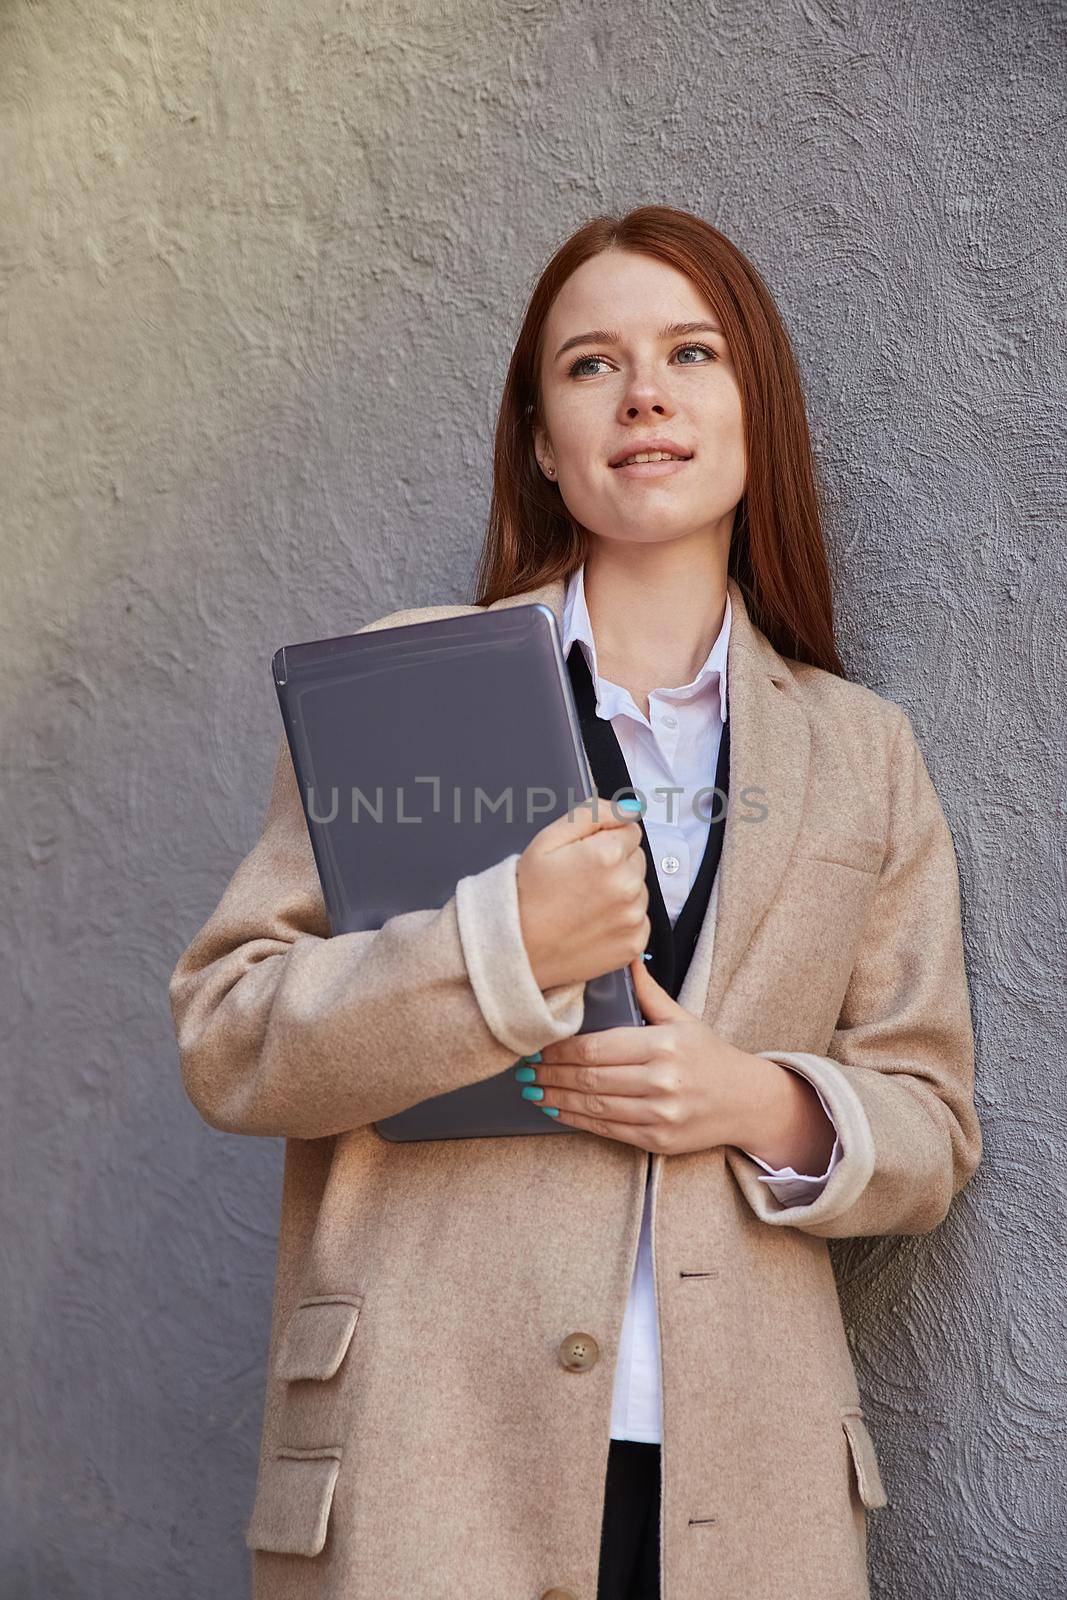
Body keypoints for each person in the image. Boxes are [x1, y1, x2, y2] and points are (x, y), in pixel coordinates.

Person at [169, 205, 982, 1600]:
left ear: (753, 415)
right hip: (429, 1466)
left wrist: (759, 1105)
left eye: (691, 352)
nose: (645, 391)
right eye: (591, 364)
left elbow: (931, 1116)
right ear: (543, 440)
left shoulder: (864, 750)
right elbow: (230, 1034)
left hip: (752, 1496)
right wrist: (504, 950)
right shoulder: (401, 684)